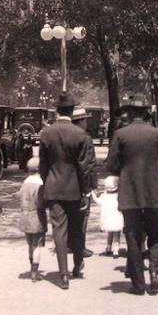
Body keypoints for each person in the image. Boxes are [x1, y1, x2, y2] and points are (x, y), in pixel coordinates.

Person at [106, 93, 158, 295]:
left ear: (130, 111)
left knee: (133, 237)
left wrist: (126, 170)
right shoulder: (157, 134)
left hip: (130, 193)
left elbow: (111, 165)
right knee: (154, 234)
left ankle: (138, 283)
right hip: (154, 191)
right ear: (146, 112)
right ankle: (153, 271)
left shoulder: (120, 134)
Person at [39, 92, 94, 290]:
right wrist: (86, 191)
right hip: (75, 189)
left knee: (59, 231)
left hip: (54, 188)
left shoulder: (46, 133)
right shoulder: (81, 135)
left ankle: (63, 274)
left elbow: (43, 165)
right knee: (77, 229)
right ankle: (77, 265)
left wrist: (48, 183)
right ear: (72, 111)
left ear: (57, 110)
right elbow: (84, 167)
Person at [72, 107, 97, 258]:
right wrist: (89, 186)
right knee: (84, 214)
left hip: (68, 182)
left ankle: (72, 243)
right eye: (85, 120)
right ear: (80, 121)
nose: (87, 123)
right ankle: (80, 246)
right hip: (83, 182)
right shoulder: (85, 138)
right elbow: (88, 164)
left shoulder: (67, 136)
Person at [18, 157, 47, 282]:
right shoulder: (40, 183)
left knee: (30, 245)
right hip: (36, 217)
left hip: (25, 215)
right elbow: (41, 203)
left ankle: (31, 268)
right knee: (37, 246)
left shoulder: (25, 183)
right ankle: (35, 272)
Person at [92, 176, 124, 258]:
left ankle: (109, 247)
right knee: (117, 234)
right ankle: (116, 249)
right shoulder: (119, 196)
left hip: (108, 219)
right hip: (117, 219)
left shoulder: (104, 196)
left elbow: (97, 201)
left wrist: (93, 194)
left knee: (110, 233)